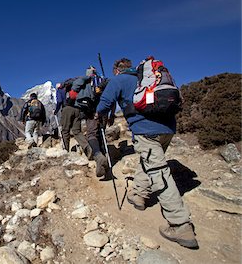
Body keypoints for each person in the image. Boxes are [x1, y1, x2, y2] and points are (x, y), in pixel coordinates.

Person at [96, 58, 198, 249]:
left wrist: (98, 113)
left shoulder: (118, 80)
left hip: (146, 131)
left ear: (117, 70)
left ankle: (180, 224)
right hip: (167, 129)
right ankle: (139, 195)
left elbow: (104, 104)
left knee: (159, 172)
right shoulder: (146, 78)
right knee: (150, 162)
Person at [82, 66, 109, 177]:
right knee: (101, 132)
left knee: (92, 134)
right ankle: (105, 158)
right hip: (103, 110)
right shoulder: (102, 80)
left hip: (91, 112)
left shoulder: (85, 82)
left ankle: (98, 156)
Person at [60, 77, 95, 161]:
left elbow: (60, 100)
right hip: (78, 109)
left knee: (65, 130)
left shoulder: (70, 85)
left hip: (67, 108)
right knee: (77, 131)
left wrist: (61, 86)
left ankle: (66, 151)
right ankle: (87, 147)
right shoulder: (87, 85)